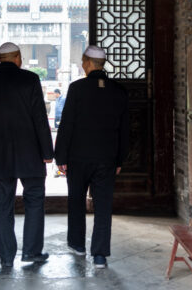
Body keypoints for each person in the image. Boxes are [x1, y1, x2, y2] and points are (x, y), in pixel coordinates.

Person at [0, 42, 54, 268]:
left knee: (2, 203)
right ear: (17, 57)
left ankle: (6, 257)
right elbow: (40, 118)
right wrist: (47, 152)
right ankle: (31, 251)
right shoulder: (30, 80)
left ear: (0, 58)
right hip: (30, 152)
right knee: (35, 199)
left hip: (0, 154)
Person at [54, 45, 129, 269]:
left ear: (86, 63)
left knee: (76, 200)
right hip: (106, 158)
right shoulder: (119, 90)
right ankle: (99, 255)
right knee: (103, 206)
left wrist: (61, 157)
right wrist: (119, 160)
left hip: (78, 157)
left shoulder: (77, 88)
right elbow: (124, 130)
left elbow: (67, 124)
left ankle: (77, 244)